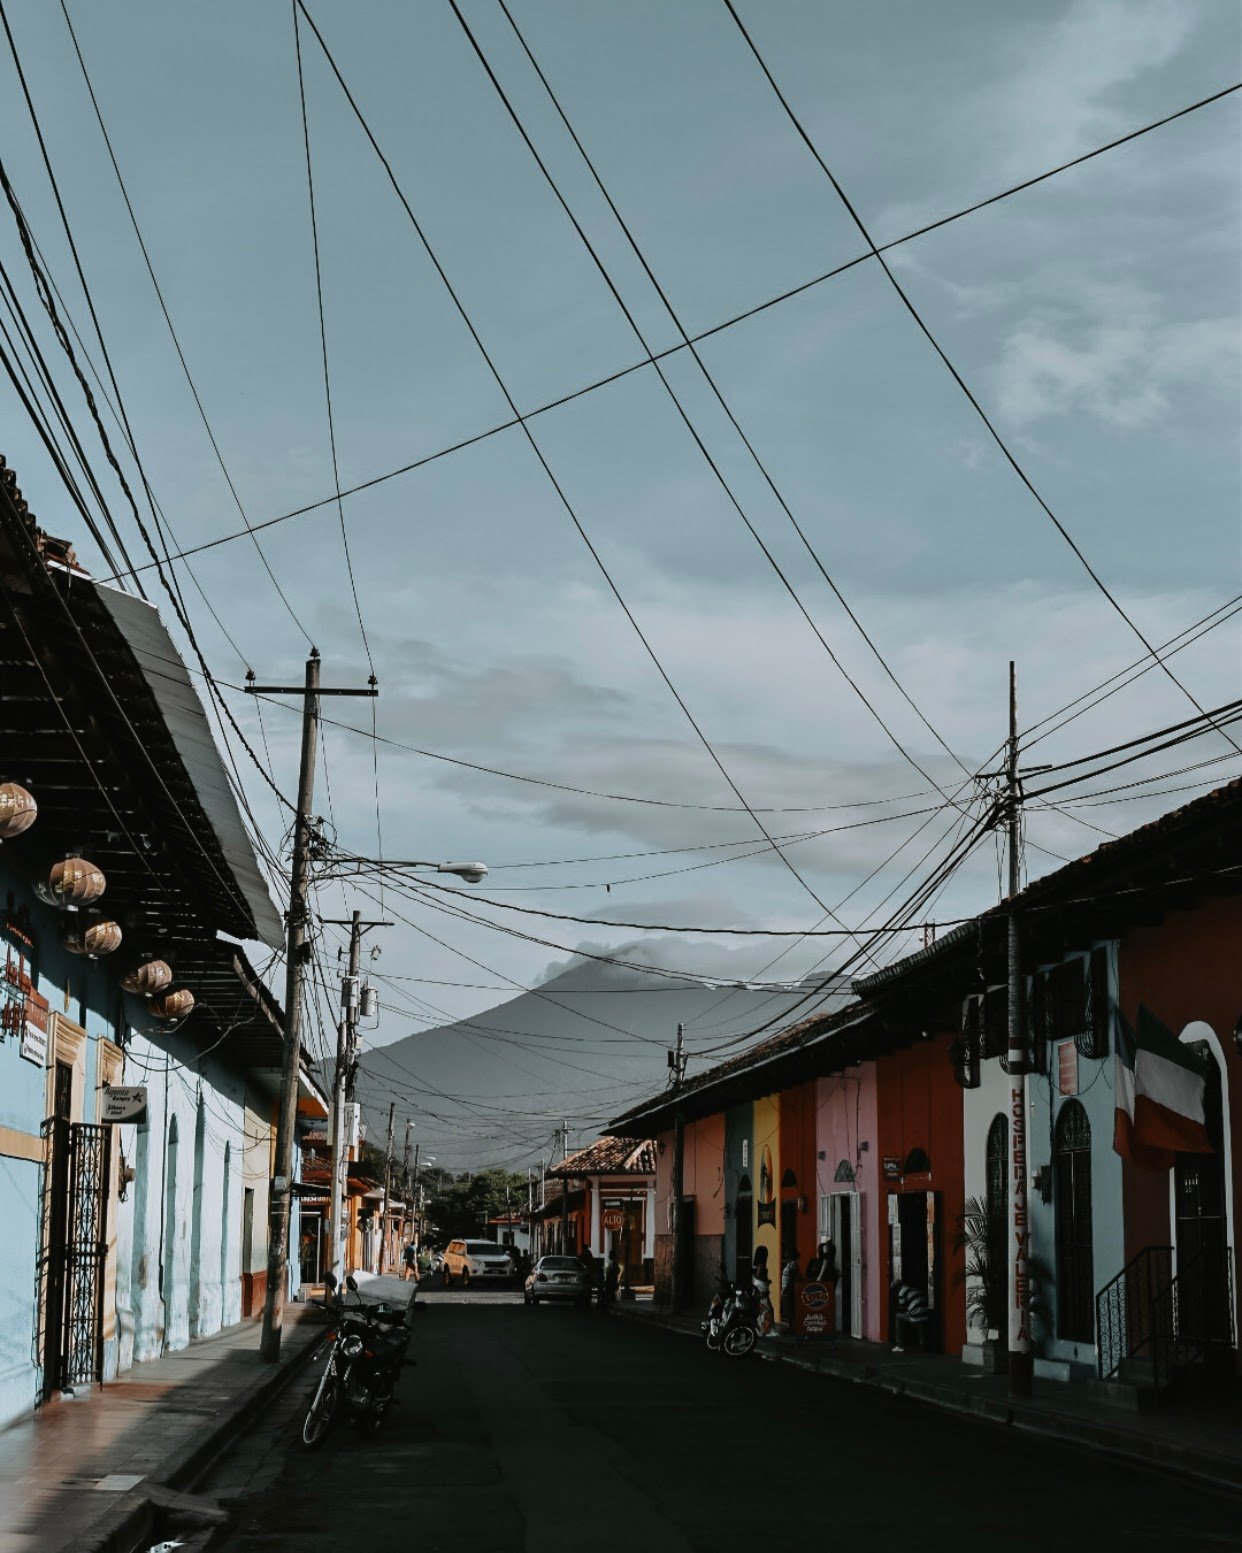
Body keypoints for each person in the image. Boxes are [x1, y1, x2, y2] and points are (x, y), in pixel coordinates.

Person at [781, 1250, 801, 1328]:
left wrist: (784, 1289)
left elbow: (791, 1278)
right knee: (789, 1308)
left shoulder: (792, 1264)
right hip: (788, 1287)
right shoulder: (791, 1264)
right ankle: (791, 1326)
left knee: (790, 1308)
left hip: (789, 1288)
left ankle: (791, 1327)